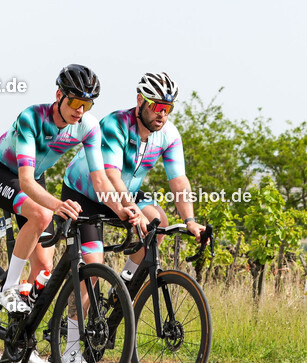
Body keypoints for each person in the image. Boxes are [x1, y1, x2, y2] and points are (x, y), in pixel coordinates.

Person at [0, 64, 139, 363]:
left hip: (32, 183)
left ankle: (22, 336)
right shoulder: (32, 118)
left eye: (87, 104)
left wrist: (120, 209)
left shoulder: (88, 128)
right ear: (59, 95)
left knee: (44, 267)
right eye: (75, 102)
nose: (80, 110)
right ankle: (8, 288)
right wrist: (56, 204)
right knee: (40, 214)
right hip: (1, 174)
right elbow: (25, 181)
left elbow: (100, 180)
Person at [62, 70, 205, 289]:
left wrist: (190, 221)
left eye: (168, 109)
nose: (162, 115)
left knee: (159, 223)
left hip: (124, 192)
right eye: (157, 107)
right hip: (86, 194)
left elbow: (179, 180)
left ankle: (121, 285)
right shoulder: (115, 124)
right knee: (91, 271)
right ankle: (73, 325)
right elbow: (111, 176)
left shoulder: (169, 134)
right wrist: (132, 208)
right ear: (140, 100)